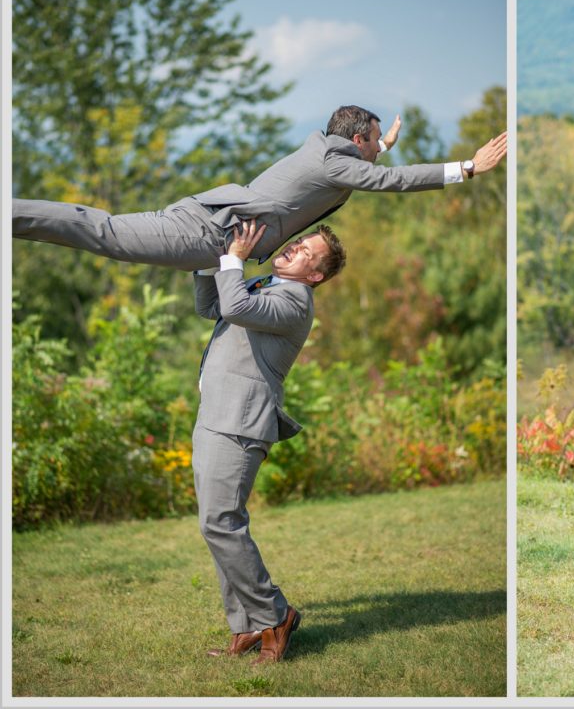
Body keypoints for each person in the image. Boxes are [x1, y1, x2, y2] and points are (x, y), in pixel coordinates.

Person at [13, 105, 507, 270]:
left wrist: (386, 144)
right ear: (357, 139)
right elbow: (387, 181)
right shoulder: (339, 161)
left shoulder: (331, 152)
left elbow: (369, 164)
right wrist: (466, 167)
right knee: (105, 232)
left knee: (106, 233)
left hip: (217, 231)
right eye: (375, 140)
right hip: (211, 233)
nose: (379, 147)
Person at [194, 219, 345, 664]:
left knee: (220, 523)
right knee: (218, 524)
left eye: (305, 252)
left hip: (239, 422)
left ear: (314, 275)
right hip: (215, 415)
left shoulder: (295, 301)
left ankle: (275, 614)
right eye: (298, 242)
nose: (294, 248)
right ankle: (247, 626)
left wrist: (234, 260)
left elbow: (236, 308)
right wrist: (208, 260)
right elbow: (213, 307)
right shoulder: (266, 284)